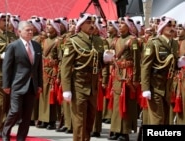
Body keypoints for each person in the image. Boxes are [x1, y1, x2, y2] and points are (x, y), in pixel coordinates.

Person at [60, 13, 109, 141]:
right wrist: (66, 89)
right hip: (79, 85)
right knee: (80, 121)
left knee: (90, 119)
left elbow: (97, 64)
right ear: (81, 25)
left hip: (93, 85)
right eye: (88, 23)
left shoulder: (98, 41)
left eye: (93, 22)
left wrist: (105, 60)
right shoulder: (73, 41)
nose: (92, 25)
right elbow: (65, 66)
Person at [1, 21, 43, 141]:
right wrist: (6, 84)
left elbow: (38, 67)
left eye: (31, 30)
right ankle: (5, 132)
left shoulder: (36, 46)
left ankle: (21, 137)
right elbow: (7, 67)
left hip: (32, 85)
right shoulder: (13, 46)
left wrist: (39, 84)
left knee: (27, 115)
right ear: (19, 32)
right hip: (17, 84)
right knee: (15, 111)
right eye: (27, 30)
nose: (30, 32)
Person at [108, 17, 141, 141]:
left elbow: (137, 61)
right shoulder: (116, 40)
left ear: (128, 26)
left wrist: (136, 78)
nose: (120, 26)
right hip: (117, 74)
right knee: (116, 102)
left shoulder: (132, 41)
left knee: (126, 102)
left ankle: (124, 132)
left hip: (128, 74)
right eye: (119, 24)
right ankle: (116, 130)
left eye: (123, 24)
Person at [141, 17, 179, 125]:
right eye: (169, 26)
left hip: (167, 86)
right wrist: (145, 88)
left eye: (173, 26)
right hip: (155, 86)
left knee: (166, 119)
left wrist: (178, 63)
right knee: (158, 120)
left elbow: (172, 64)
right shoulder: (154, 43)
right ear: (162, 27)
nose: (172, 28)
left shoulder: (174, 43)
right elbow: (145, 66)